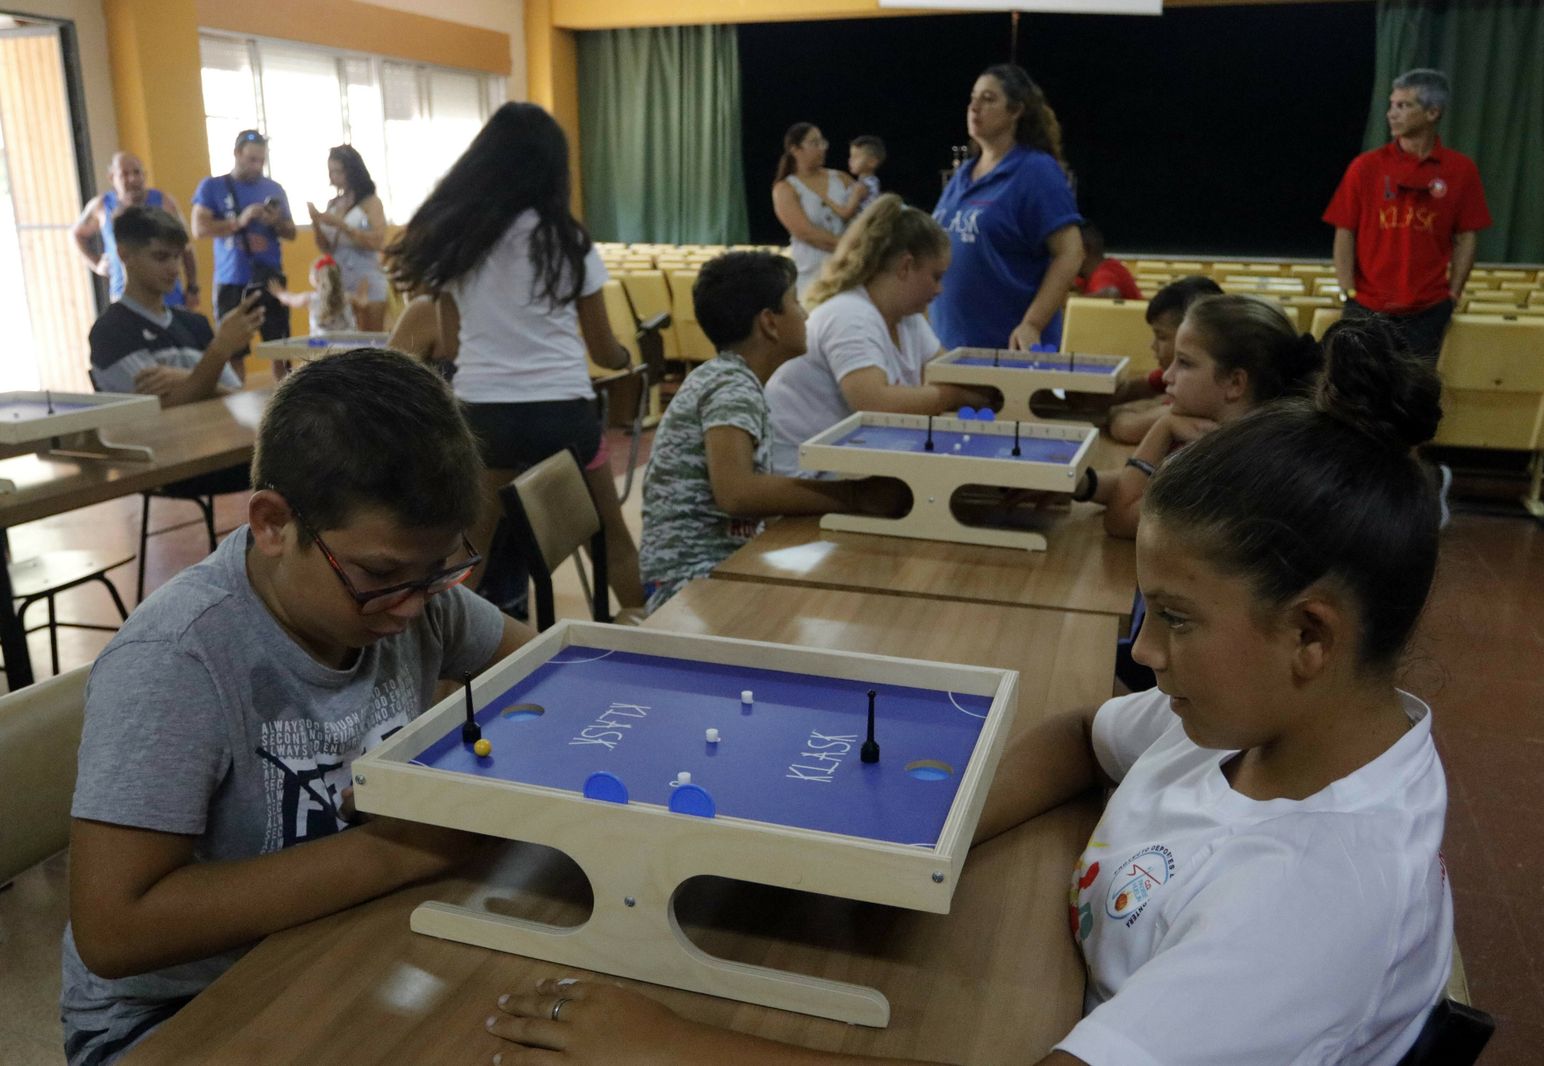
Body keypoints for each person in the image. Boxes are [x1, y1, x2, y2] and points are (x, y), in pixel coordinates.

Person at [484, 319, 1454, 1066]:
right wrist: (917, 842)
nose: (1147, 651)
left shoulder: (1318, 900)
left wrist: (675, 1044)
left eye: (1178, 618)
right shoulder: (1263, 720)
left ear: (1311, 634)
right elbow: (1087, 733)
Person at [61, 350, 537, 1066]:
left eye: (437, 572)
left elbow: (548, 673)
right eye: (381, 576)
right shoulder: (179, 659)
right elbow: (114, 929)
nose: (411, 608)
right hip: (172, 1014)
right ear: (273, 523)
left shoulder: (409, 595)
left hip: (343, 936)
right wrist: (405, 846)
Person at [386, 102, 645, 620]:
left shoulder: (459, 244)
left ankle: (434, 669)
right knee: (609, 535)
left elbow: (453, 347)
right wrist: (624, 357)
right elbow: (602, 349)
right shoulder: (568, 241)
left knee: (465, 558)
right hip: (564, 415)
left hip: (486, 417)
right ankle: (662, 638)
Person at [638, 251, 906, 614]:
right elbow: (737, 493)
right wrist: (856, 496)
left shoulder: (730, 378)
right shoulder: (732, 386)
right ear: (770, 323)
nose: (805, 313)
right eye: (795, 302)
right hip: (689, 583)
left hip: (711, 569)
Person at [764, 196, 990, 476]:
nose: (939, 290)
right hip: (801, 474)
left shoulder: (908, 321)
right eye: (936, 276)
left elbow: (951, 371)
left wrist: (996, 390)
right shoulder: (849, 314)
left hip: (842, 465)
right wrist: (954, 396)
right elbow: (876, 404)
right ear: (905, 266)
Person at [1102, 294, 1323, 538]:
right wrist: (1084, 484)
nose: (1167, 375)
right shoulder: (1255, 437)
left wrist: (1163, 426)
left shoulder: (1233, 467)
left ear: (1235, 382)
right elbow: (1151, 484)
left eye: (1184, 363)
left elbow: (1120, 518)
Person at [1324, 68, 1491, 363]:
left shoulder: (1461, 170)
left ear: (1432, 112)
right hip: (1366, 306)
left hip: (1427, 312)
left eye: (1403, 105)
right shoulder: (1365, 167)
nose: (1392, 113)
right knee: (1355, 394)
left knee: (1411, 397)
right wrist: (1346, 291)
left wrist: (1453, 294)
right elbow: (1344, 230)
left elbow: (1467, 236)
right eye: (1391, 105)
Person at [930, 64, 1084, 351]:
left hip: (1006, 351)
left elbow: (1070, 252)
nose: (974, 107)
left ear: (1015, 111)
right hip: (949, 347)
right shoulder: (962, 175)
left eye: (988, 99)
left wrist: (1033, 324)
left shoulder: (1035, 171)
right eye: (972, 98)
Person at [87, 206, 260, 407]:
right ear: (124, 255)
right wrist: (219, 350)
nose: (175, 269)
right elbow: (163, 407)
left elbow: (234, 396)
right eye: (160, 257)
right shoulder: (109, 332)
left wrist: (183, 377)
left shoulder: (196, 323)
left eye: (177, 256)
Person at [191, 129, 297, 375]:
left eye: (261, 161)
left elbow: (291, 233)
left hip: (269, 278)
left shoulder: (274, 189)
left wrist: (276, 223)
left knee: (280, 347)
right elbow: (199, 228)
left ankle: (287, 398)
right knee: (233, 351)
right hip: (232, 280)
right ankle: (235, 405)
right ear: (237, 154)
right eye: (252, 160)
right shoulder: (213, 187)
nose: (257, 167)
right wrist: (240, 221)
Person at [1105, 275, 1222, 444]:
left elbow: (1127, 428)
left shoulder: (1199, 390)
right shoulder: (1180, 374)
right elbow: (1136, 387)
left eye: (1161, 336)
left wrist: (1116, 412)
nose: (1153, 346)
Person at [73, 151, 199, 310]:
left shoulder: (164, 202)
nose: (132, 179)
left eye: (137, 172)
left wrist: (192, 287)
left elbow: (185, 246)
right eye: (124, 174)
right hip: (124, 296)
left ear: (144, 175)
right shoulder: (101, 206)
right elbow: (77, 234)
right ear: (112, 178)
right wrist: (96, 264)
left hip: (169, 298)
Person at [771, 123, 865, 300]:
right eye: (814, 143)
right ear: (795, 149)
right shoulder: (785, 188)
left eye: (823, 143)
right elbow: (806, 233)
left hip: (850, 271)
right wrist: (851, 246)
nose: (821, 148)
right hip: (812, 275)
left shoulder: (841, 178)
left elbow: (863, 214)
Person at [307, 145, 389, 332]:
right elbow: (326, 248)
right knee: (342, 337)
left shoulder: (371, 202)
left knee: (371, 338)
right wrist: (317, 224)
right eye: (330, 171)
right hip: (339, 279)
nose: (333, 177)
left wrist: (341, 225)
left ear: (352, 171)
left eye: (337, 171)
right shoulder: (333, 203)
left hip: (367, 277)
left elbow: (377, 241)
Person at [268, 255, 356, 336]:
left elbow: (291, 300)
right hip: (347, 342)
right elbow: (362, 301)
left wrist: (279, 293)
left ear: (315, 278)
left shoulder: (310, 298)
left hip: (319, 343)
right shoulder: (346, 298)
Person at [1070, 221, 1141, 300]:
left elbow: (1111, 294)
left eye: (1068, 250)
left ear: (1085, 249)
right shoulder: (1087, 275)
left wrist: (1070, 302)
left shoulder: (1103, 275)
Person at [847, 135, 886, 210]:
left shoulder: (862, 186)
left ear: (872, 162)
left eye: (856, 157)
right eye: (851, 156)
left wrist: (826, 198)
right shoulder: (874, 182)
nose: (850, 160)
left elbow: (846, 214)